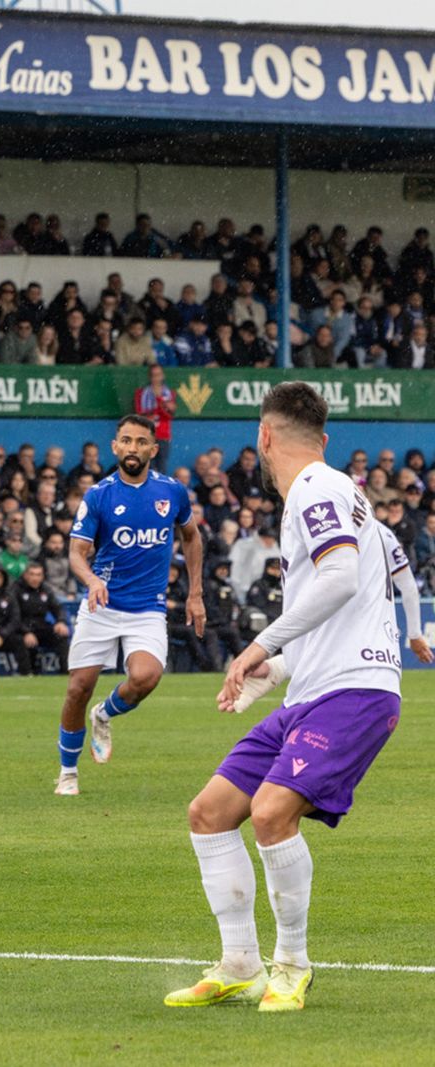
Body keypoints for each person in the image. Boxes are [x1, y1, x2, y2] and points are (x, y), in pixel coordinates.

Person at [166, 383, 434, 1012]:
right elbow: (376, 586)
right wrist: (277, 670)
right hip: (317, 689)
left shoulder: (314, 489)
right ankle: (239, 963)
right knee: (209, 812)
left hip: (355, 692)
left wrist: (257, 645)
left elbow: (340, 579)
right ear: (325, 436)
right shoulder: (347, 493)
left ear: (265, 436)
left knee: (270, 813)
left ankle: (292, 965)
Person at [56, 415, 204, 797]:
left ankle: (104, 714)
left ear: (153, 450)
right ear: (115, 447)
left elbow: (191, 538)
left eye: (141, 442)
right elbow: (76, 553)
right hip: (102, 604)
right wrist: (92, 581)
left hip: (147, 608)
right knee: (78, 687)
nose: (133, 448)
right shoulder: (99, 495)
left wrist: (195, 593)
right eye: (126, 440)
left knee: (145, 677)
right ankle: (67, 772)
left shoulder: (172, 492)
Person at [12, 560, 70, 674]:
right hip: (21, 628)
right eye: (32, 574)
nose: (35, 578)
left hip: (40, 626)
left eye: (38, 575)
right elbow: (14, 615)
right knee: (23, 641)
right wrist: (26, 632)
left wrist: (60, 621)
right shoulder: (16, 589)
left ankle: (66, 673)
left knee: (61, 637)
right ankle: (27, 674)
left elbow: (57, 607)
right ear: (25, 575)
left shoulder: (45, 589)